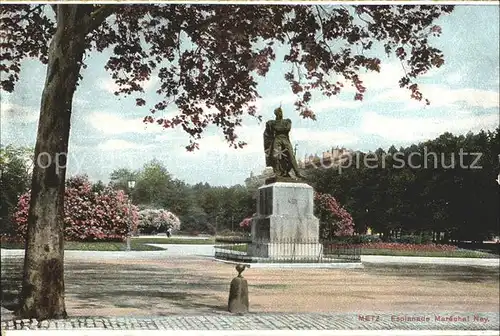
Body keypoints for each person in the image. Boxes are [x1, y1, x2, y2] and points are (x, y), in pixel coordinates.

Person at [263, 106, 304, 178]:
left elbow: (287, 128)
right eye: (278, 112)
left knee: (291, 155)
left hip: (285, 139)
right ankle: (278, 172)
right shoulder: (272, 122)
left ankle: (297, 173)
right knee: (275, 156)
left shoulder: (287, 121)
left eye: (281, 112)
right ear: (276, 114)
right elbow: (269, 131)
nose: (280, 113)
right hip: (277, 139)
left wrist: (276, 127)